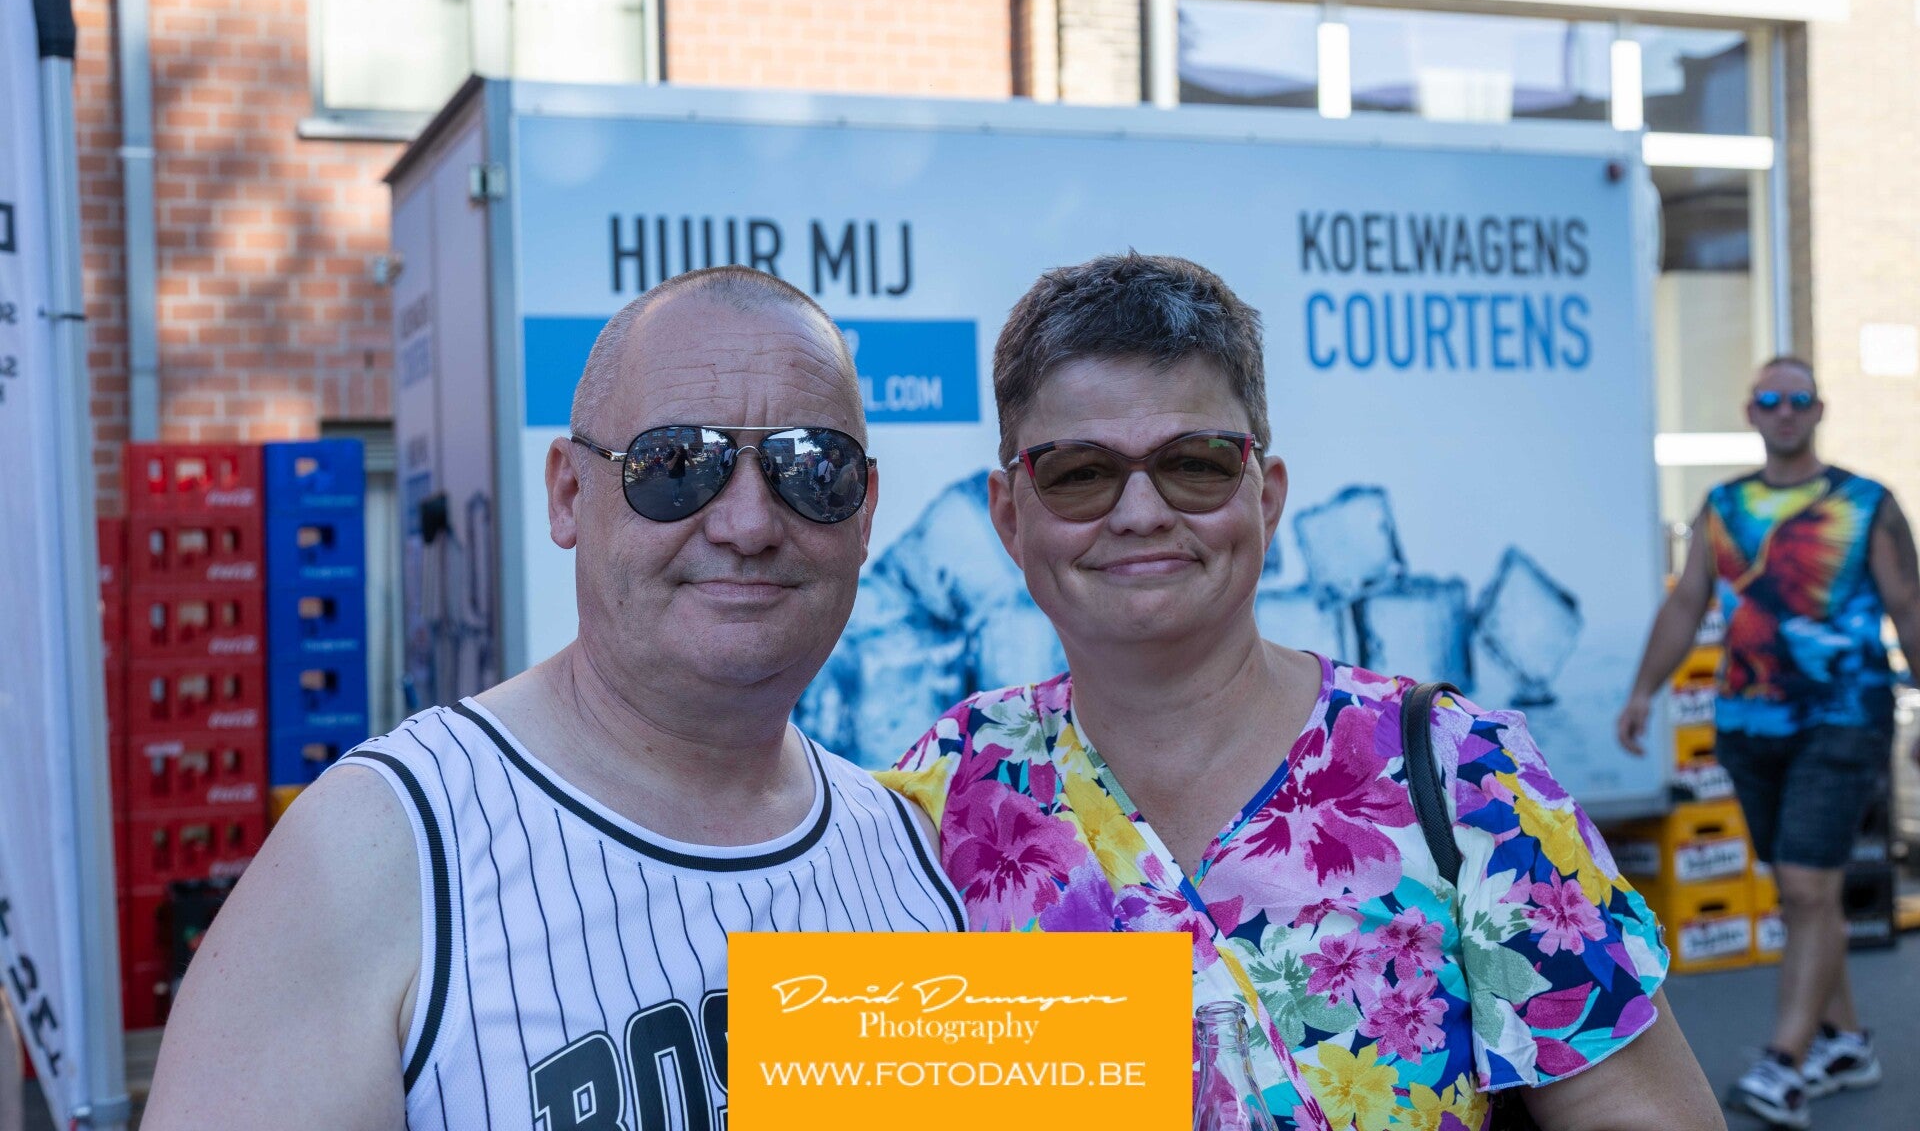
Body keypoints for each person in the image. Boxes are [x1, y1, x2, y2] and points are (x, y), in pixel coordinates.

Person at [885, 253, 1723, 1131]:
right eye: (1079, 473)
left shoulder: (1463, 773)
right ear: (1010, 516)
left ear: (1267, 499)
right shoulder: (949, 790)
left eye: (1196, 463)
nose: (1139, 513)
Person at [144, 267, 961, 1131]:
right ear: (569, 494)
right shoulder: (380, 848)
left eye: (812, 468)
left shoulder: (919, 854)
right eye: (677, 464)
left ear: (865, 514)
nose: (749, 524)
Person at [1616, 355, 1920, 1128]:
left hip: (1843, 717)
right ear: (1751, 412)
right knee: (1798, 887)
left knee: (1810, 887)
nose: (1785, 410)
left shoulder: (1866, 502)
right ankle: (1846, 1042)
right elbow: (1686, 604)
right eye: (1771, 399)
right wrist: (1644, 690)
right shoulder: (1723, 505)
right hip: (1748, 727)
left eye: (1799, 399)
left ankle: (1785, 1060)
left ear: (1818, 410)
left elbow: (1910, 608)